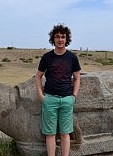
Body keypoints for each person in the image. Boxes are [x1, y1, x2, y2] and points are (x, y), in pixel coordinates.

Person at [35, 23, 81, 156]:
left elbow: (77, 78)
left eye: (63, 37)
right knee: (50, 134)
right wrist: (40, 95)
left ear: (66, 39)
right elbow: (38, 77)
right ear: (53, 39)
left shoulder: (72, 57)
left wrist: (74, 96)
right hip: (50, 99)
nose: (60, 39)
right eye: (57, 37)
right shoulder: (47, 57)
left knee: (65, 133)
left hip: (67, 99)